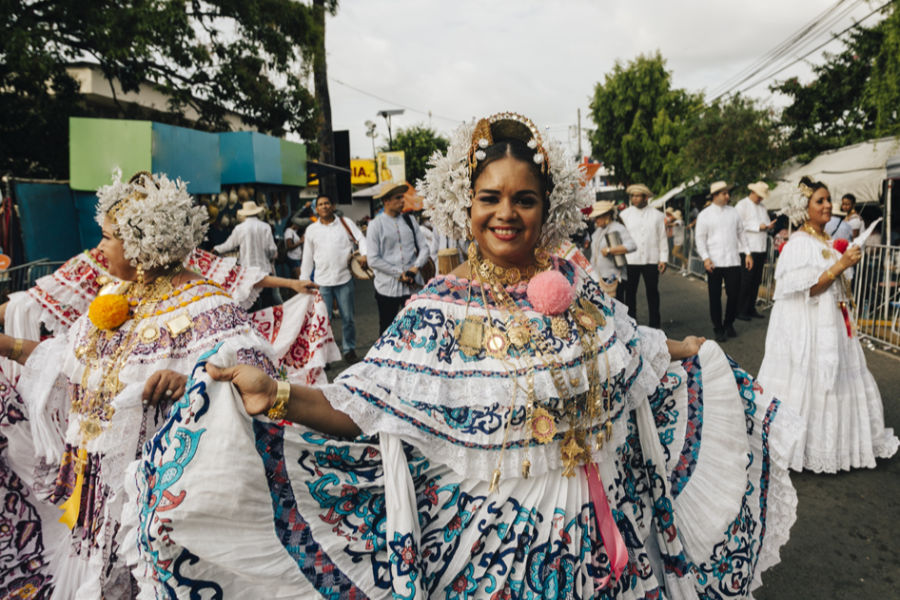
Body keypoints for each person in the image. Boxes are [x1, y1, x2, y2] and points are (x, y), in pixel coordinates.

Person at [126, 114, 797, 598]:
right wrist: (272, 395)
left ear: (547, 207)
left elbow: (635, 348)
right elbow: (366, 405)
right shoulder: (438, 307)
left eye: (525, 199)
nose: (508, 213)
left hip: (604, 540)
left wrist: (693, 347)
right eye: (491, 198)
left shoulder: (579, 287)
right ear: (466, 205)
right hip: (496, 559)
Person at [0, 171, 290, 597]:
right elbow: (64, 361)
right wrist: (5, 345)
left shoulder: (209, 305)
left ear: (141, 245)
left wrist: (193, 384)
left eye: (108, 237)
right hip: (94, 497)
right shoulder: (115, 297)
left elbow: (258, 386)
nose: (99, 248)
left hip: (159, 504)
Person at [758, 176, 898, 473]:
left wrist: (845, 261)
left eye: (827, 200)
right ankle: (804, 446)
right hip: (808, 325)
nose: (827, 205)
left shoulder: (823, 241)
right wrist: (842, 264)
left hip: (832, 320)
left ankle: (836, 444)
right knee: (810, 378)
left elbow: (834, 280)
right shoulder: (799, 243)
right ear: (804, 208)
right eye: (819, 201)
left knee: (836, 377)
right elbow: (810, 287)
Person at [300, 194, 367, 363]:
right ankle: (324, 355)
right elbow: (307, 257)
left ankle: (349, 349)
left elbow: (360, 238)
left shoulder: (345, 223)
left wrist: (365, 255)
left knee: (348, 318)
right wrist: (303, 279)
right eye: (320, 204)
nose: (323, 206)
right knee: (323, 321)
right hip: (321, 282)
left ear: (333, 205)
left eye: (326, 203)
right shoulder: (311, 230)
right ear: (316, 209)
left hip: (344, 278)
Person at [366, 182, 430, 333]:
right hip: (387, 288)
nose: (402, 201)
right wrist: (398, 274)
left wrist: (415, 268)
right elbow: (373, 259)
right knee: (388, 330)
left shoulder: (410, 220)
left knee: (415, 329)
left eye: (402, 197)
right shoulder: (375, 225)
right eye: (398, 198)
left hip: (412, 285)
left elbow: (424, 248)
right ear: (386, 201)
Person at [695, 181, 752, 342]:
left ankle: (729, 323)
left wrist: (747, 253)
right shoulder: (704, 215)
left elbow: (741, 233)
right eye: (724, 193)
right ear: (715, 195)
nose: (728, 196)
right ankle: (718, 327)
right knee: (715, 296)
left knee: (734, 294)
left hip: (733, 260)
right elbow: (700, 239)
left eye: (728, 193)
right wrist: (705, 257)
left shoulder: (733, 212)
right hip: (714, 261)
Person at [214, 200, 279, 309]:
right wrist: (270, 257)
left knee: (251, 305)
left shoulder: (240, 229)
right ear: (257, 212)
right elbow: (272, 249)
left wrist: (215, 250)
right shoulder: (265, 227)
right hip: (264, 271)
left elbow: (228, 245)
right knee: (268, 303)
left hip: (247, 273)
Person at [620, 183, 667, 327]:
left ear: (645, 197)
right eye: (632, 196)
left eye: (637, 196)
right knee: (630, 294)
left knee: (652, 293)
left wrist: (663, 259)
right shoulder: (624, 215)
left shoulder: (658, 216)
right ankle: (631, 324)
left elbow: (662, 237)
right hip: (630, 259)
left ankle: (655, 324)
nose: (634, 199)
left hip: (651, 259)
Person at [736, 181, 774, 320]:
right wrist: (758, 226)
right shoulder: (742, 205)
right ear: (753, 193)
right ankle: (740, 309)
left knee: (756, 280)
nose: (760, 199)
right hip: (748, 248)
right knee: (746, 280)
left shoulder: (762, 207)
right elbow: (739, 225)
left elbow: (765, 222)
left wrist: (768, 226)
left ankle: (750, 308)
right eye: (759, 196)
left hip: (761, 247)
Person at [588, 200, 635, 302]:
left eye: (598, 217)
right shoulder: (598, 231)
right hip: (599, 277)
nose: (596, 220)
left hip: (614, 277)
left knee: (616, 311)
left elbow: (632, 245)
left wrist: (610, 250)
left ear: (607, 216)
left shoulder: (617, 228)